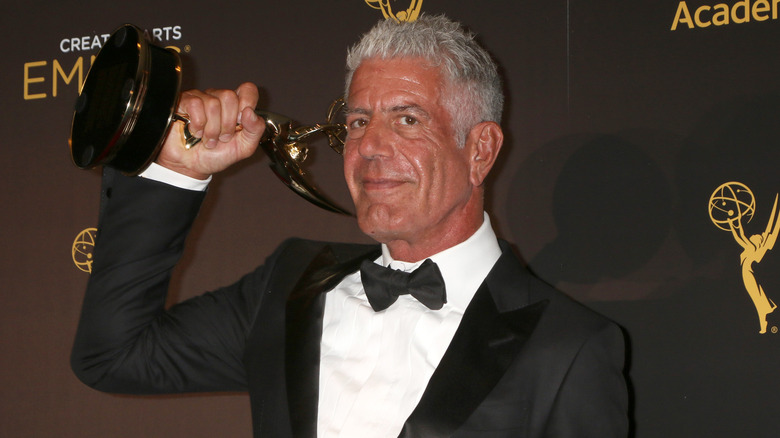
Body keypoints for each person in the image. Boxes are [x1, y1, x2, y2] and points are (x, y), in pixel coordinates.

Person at [72, 14, 628, 438]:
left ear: (480, 149)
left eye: (407, 119)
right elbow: (114, 356)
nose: (370, 148)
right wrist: (176, 172)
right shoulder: (290, 285)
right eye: (359, 121)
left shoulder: (568, 348)